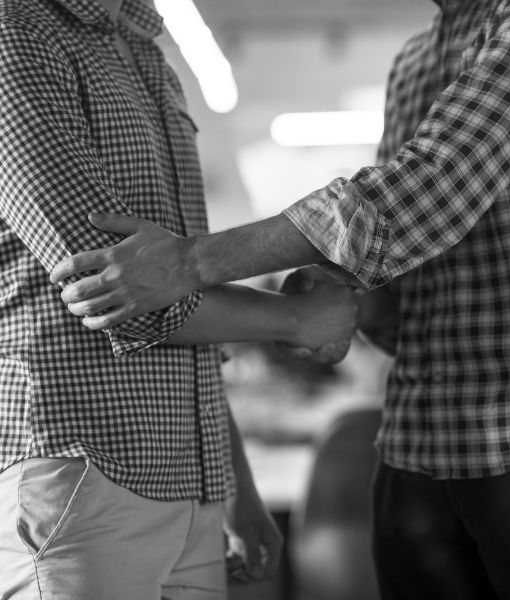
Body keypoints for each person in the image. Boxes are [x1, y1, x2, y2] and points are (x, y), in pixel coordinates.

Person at [53, 0, 510, 598]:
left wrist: (191, 261)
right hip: (417, 439)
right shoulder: (414, 60)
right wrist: (340, 302)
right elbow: (408, 253)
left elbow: (425, 188)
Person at [0, 0, 359, 598]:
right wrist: (295, 318)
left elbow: (175, 282)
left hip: (191, 484)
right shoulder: (16, 32)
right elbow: (113, 287)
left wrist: (233, 484)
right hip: (85, 463)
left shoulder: (147, 51)